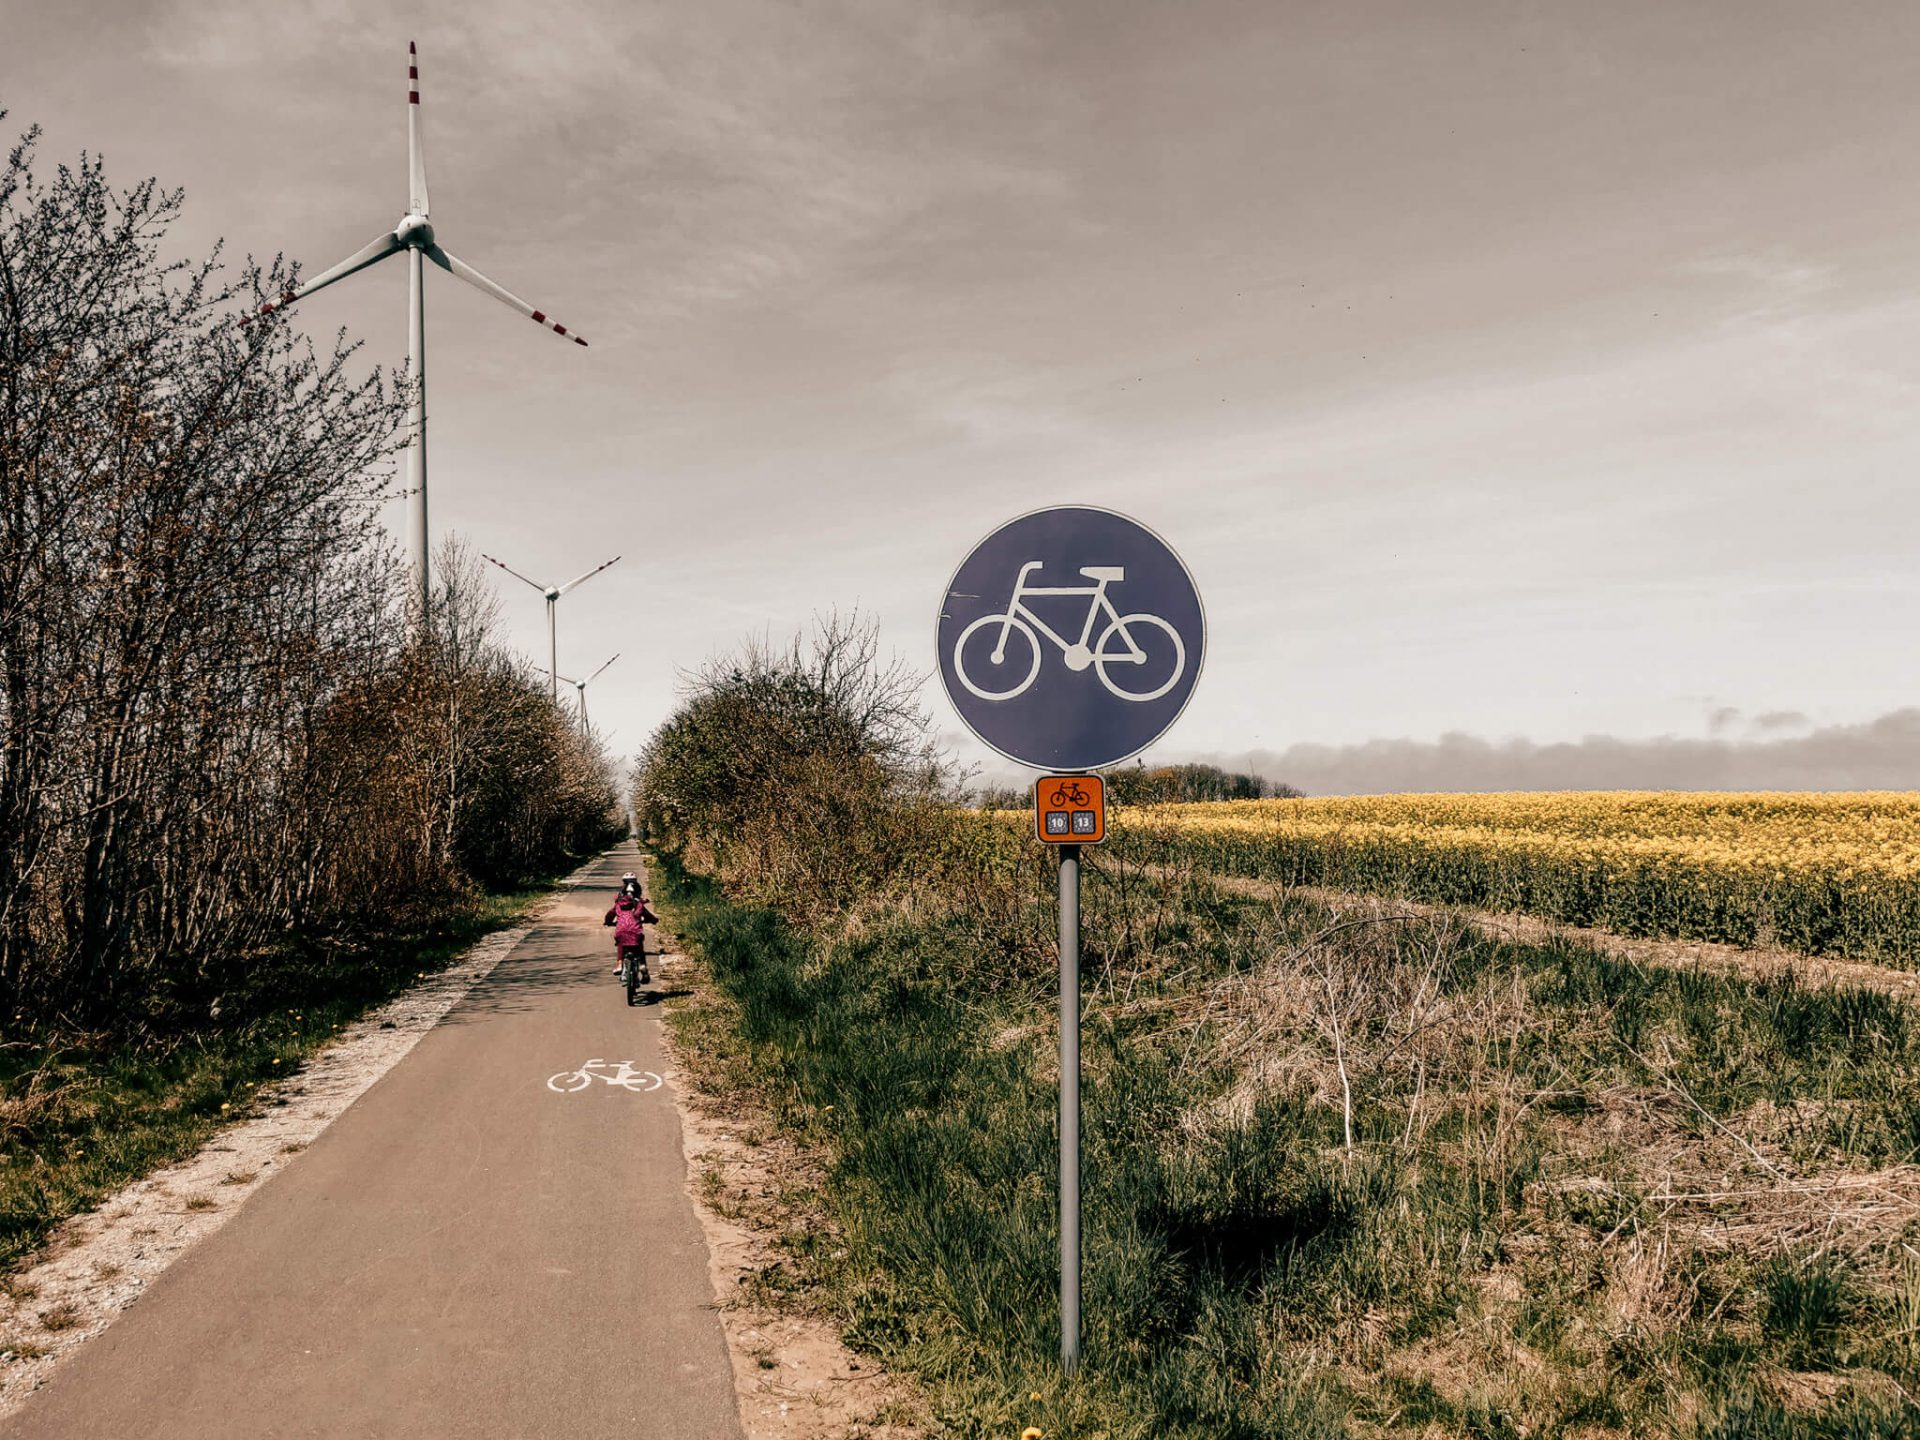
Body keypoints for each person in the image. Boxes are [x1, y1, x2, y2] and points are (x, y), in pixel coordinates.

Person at [604, 888, 657, 984]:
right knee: (639, 948)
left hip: (621, 932)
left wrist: (608, 922)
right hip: (636, 932)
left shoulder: (618, 906)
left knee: (621, 944)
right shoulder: (639, 905)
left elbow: (609, 916)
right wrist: (654, 920)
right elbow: (649, 916)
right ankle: (642, 966)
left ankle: (620, 964)